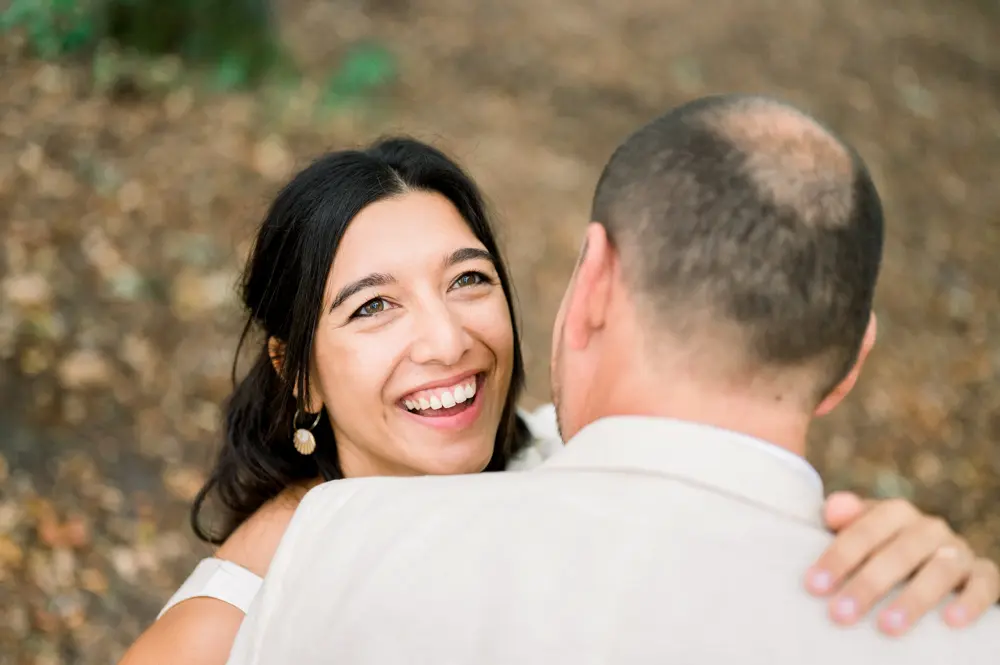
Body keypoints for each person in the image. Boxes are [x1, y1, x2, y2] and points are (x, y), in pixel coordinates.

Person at [121, 134, 997, 665]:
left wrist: (920, 557)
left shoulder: (565, 455)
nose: (446, 340)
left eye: (468, 279)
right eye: (374, 305)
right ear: (298, 369)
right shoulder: (247, 604)